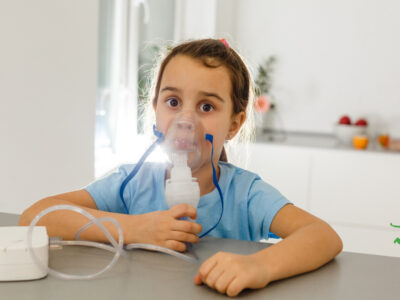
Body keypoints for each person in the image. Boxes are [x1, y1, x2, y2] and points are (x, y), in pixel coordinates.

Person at [20, 38, 342, 297]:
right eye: (173, 102)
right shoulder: (132, 185)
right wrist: (135, 229)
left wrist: (259, 267)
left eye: (206, 106)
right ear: (156, 110)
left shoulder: (244, 194)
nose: (186, 121)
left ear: (234, 123)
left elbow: (323, 236)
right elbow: (36, 216)